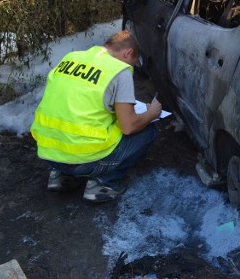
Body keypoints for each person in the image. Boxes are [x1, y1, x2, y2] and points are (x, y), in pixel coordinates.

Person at [30, 30, 162, 202]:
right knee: (148, 131)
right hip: (84, 161)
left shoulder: (71, 58)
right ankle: (105, 183)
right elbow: (128, 127)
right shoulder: (119, 71)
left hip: (48, 152)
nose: (132, 68)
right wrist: (152, 113)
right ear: (128, 53)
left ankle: (61, 176)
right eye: (133, 63)